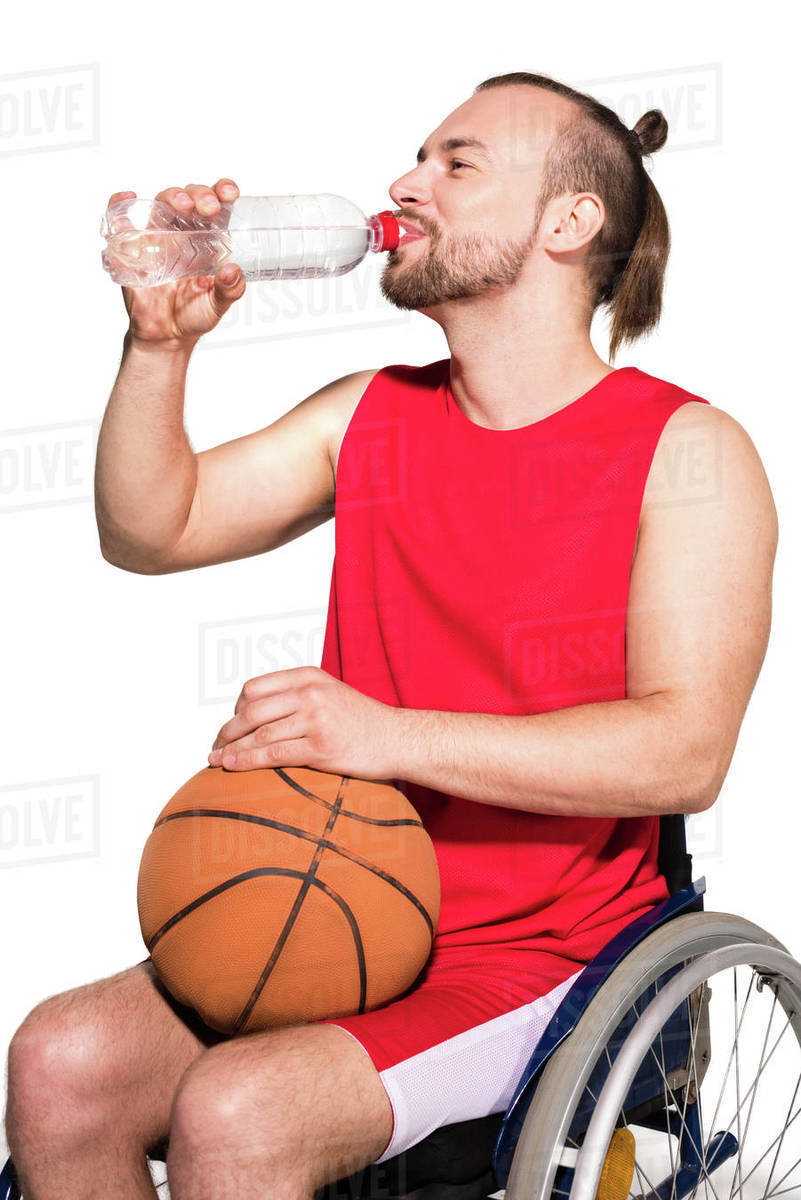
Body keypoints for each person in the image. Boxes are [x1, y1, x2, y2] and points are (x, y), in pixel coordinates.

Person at [5, 71, 777, 1198]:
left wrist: (386, 735)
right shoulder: (369, 411)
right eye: (417, 158)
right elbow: (150, 527)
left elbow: (685, 753)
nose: (405, 185)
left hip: (544, 957)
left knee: (237, 1114)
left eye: (457, 164)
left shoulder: (689, 452)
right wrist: (161, 351)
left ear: (571, 221)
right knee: (60, 1063)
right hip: (350, 896)